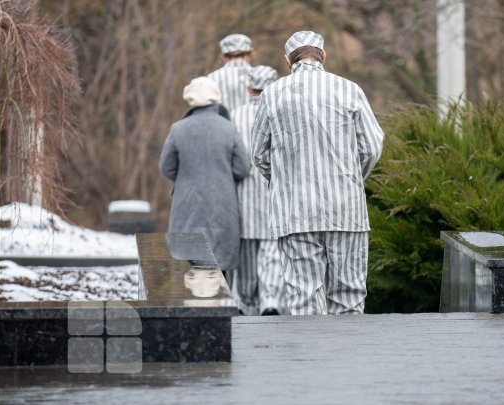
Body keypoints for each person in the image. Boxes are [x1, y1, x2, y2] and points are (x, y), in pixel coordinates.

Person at [251, 31, 384, 315]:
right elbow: (372, 147)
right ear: (323, 55)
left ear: (288, 60)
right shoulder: (350, 89)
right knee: (349, 293)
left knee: (303, 295)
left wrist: (284, 180)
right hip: (346, 210)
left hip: (294, 212)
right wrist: (351, 179)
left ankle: (310, 357)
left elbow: (259, 154)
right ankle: (347, 357)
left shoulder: (272, 94)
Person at [159, 76, 250, 291]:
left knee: (189, 264)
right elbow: (242, 168)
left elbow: (166, 167)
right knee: (219, 268)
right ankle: (221, 314)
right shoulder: (228, 128)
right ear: (215, 99)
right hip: (222, 207)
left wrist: (185, 179)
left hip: (186, 207)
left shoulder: (178, 129)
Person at [231, 65, 283, 316]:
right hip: (275, 190)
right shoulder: (281, 112)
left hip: (243, 194)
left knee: (248, 251)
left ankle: (247, 302)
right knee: (272, 247)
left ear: (248, 87)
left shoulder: (234, 116)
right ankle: (270, 299)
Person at [207, 33, 254, 110]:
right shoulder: (261, 75)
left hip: (221, 121)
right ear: (249, 54)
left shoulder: (211, 78)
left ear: (223, 57)